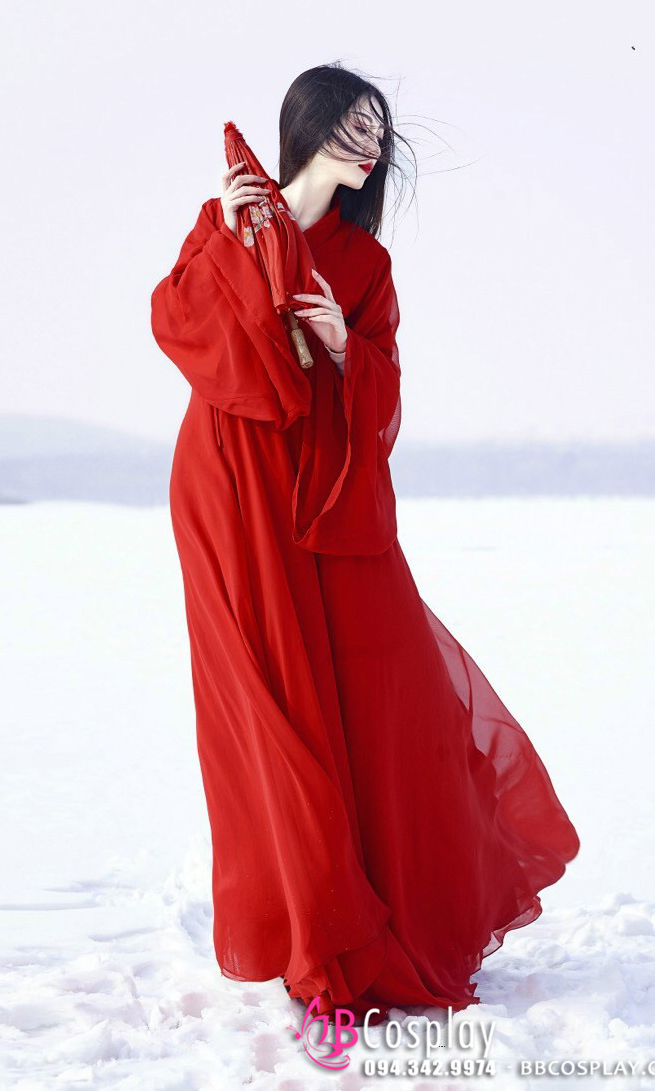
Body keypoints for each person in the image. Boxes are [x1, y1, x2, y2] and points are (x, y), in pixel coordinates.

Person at [150, 63, 580, 1027]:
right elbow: (177, 324)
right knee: (271, 699)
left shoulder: (367, 265)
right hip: (229, 482)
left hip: (325, 493)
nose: (372, 142)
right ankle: (314, 926)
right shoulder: (228, 217)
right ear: (308, 124)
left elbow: (382, 394)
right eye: (355, 123)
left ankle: (372, 907)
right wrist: (229, 236)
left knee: (383, 687)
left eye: (379, 130)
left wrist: (346, 350)